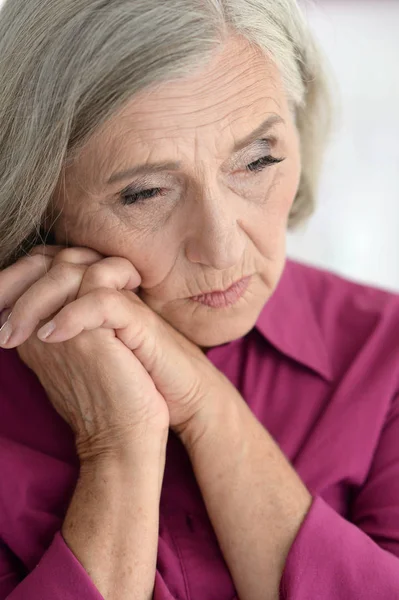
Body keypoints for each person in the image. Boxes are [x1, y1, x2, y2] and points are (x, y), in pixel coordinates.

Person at [0, 0, 398, 599]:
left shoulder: (385, 350)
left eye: (257, 160)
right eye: (146, 193)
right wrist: (119, 445)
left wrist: (209, 408)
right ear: (37, 201)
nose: (220, 244)